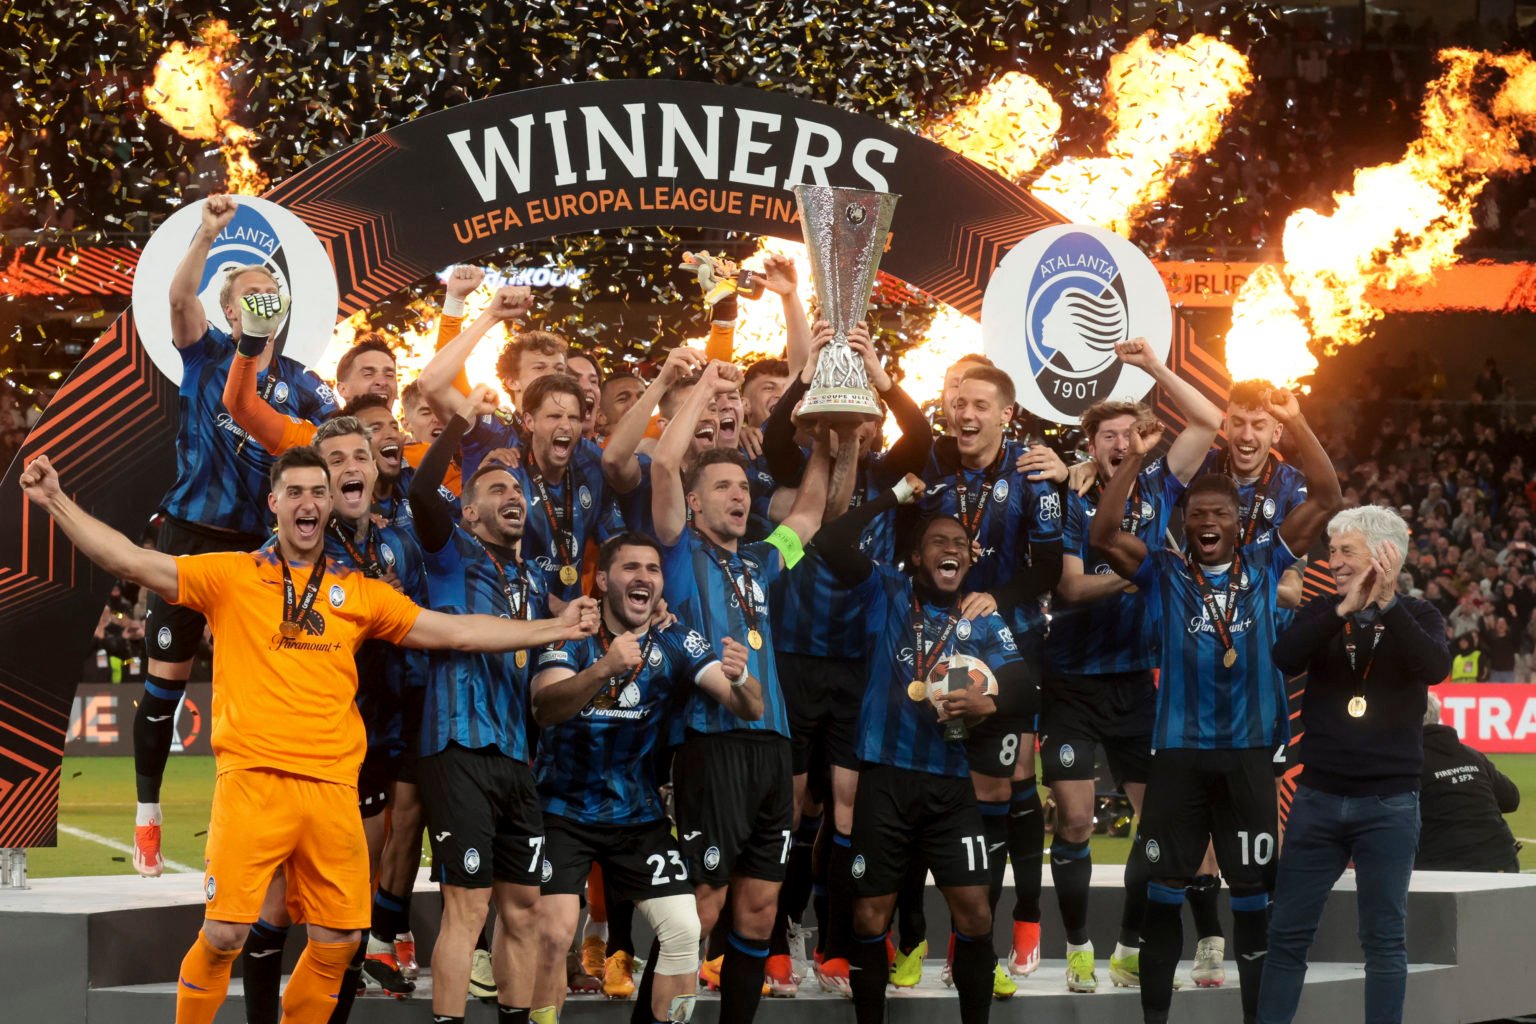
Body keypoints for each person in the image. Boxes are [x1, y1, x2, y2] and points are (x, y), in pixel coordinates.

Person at [18, 447, 597, 1024]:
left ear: (327, 508)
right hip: (253, 785)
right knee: (223, 934)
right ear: (274, 503)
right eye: (294, 492)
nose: (308, 502)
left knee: (340, 942)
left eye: (317, 493)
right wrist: (55, 500)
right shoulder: (232, 574)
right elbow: (129, 560)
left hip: (331, 793)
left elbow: (457, 631)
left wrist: (553, 627)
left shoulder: (360, 593)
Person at [1089, 386, 1342, 1024]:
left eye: (1220, 516)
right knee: (1163, 897)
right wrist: (1133, 465)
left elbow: (1328, 497)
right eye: (1197, 514)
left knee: (1255, 896)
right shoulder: (1164, 572)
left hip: (1250, 756)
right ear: (1186, 521)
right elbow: (1103, 532)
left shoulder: (1266, 562)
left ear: (1237, 523)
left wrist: (1299, 421)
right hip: (1177, 758)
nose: (1207, 523)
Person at [136, 193, 337, 877]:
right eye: (251, 292)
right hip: (189, 536)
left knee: (251, 699)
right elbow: (175, 296)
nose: (264, 297)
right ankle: (147, 817)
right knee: (163, 689)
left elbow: (339, 445)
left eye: (272, 289)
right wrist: (205, 234)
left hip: (258, 548)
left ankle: (249, 832)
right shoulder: (206, 356)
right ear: (230, 311)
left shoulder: (305, 387)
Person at [407, 385, 600, 1023]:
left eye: (516, 489)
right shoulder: (449, 556)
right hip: (457, 748)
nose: (511, 495)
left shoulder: (535, 577)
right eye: (495, 489)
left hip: (518, 758)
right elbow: (419, 490)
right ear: (466, 513)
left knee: (523, 907)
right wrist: (462, 424)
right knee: (468, 907)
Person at [812, 474, 1035, 1024]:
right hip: (884, 780)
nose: (951, 549)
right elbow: (830, 543)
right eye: (939, 542)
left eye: (960, 544)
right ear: (916, 556)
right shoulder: (884, 590)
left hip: (949, 786)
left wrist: (992, 702)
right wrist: (895, 495)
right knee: (869, 917)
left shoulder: (981, 617)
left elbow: (1025, 682)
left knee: (976, 913)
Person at [1042, 338, 1225, 993]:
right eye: (1106, 436)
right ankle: (1081, 949)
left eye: (1128, 433)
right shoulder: (1070, 495)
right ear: (1090, 446)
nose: (1118, 443)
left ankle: (1127, 945)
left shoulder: (1160, 482)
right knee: (1076, 818)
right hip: (1068, 680)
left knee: (1161, 824)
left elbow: (1208, 420)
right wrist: (1147, 576)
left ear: (1142, 438)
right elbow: (1068, 587)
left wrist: (1153, 368)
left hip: (1137, 681)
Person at [758, 320, 935, 994]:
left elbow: (919, 436)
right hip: (794, 658)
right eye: (834, 415)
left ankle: (838, 944)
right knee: (789, 804)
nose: (847, 425)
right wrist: (809, 371)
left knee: (848, 809)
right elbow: (776, 433)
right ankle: (772, 937)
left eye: (861, 416)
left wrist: (879, 375)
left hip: (861, 666)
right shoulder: (790, 473)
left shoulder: (890, 474)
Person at [650, 374, 832, 1024]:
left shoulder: (760, 560)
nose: (740, 494)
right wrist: (707, 387)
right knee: (703, 904)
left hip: (772, 750)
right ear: (694, 504)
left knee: (758, 908)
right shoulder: (676, 547)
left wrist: (830, 445)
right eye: (724, 486)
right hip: (711, 745)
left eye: (744, 487)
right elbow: (667, 462)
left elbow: (808, 514)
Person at [527, 532, 766, 1024]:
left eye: (653, 570)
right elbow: (545, 708)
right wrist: (604, 668)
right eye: (631, 568)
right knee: (553, 932)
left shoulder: (677, 638)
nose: (644, 578)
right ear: (602, 580)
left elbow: (751, 706)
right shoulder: (571, 631)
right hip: (561, 810)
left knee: (683, 927)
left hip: (636, 813)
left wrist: (741, 677)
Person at [1257, 506, 1452, 1024]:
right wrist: (1342, 609)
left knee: (1384, 941)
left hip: (1388, 804)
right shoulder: (1323, 613)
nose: (1333, 560)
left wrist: (1387, 602)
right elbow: (1284, 656)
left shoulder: (1419, 615)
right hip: (1317, 799)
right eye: (1332, 549)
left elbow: (1435, 668)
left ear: (1384, 556)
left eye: (1346, 551)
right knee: (1287, 936)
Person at [919, 363, 1065, 991]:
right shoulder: (928, 467)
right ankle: (962, 934)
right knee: (952, 789)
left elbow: (1053, 566)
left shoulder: (1033, 472)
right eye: (957, 402)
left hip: (1012, 646)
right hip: (934, 646)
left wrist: (999, 598)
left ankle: (1025, 925)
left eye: (980, 403)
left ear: (1006, 413)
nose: (966, 414)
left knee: (1010, 787)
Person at [1416, 693, 1522, 873]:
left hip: (1443, 866)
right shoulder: (1472, 755)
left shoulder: (1408, 762)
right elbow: (1511, 799)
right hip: (1501, 860)